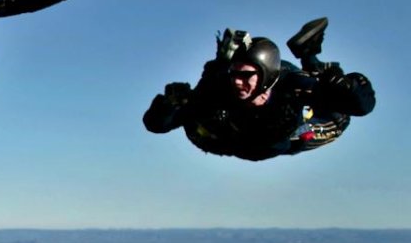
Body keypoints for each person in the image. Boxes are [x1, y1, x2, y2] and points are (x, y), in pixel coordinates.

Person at [143, 19, 375, 161]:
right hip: (239, 137)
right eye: (234, 74)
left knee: (336, 118)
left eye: (246, 76)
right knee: (204, 118)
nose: (237, 82)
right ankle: (312, 61)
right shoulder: (220, 86)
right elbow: (156, 124)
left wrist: (342, 85)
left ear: (266, 75)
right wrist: (168, 105)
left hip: (290, 125)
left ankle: (311, 57)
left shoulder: (291, 85)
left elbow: (363, 107)